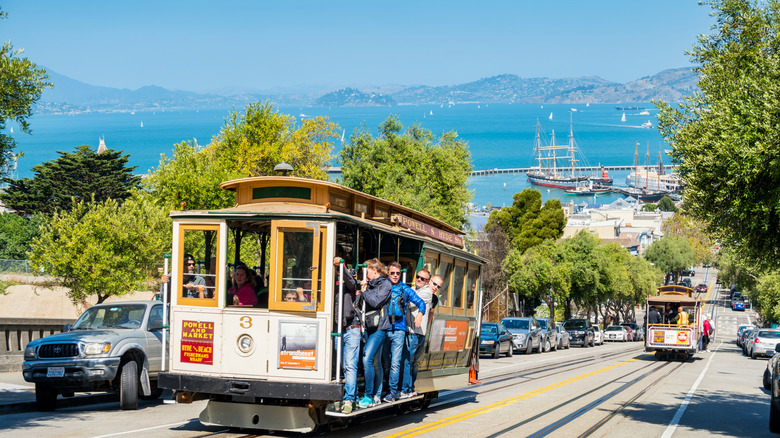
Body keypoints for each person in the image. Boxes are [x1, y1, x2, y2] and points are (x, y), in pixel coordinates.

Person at [382, 262, 426, 403]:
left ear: (400, 274)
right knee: (386, 362)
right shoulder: (383, 287)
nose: (395, 275)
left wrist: (420, 314)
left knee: (395, 362)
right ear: (388, 273)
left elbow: (421, 303)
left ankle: (392, 392)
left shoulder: (405, 289)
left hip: (399, 330)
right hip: (384, 328)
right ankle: (386, 387)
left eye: (397, 273)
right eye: (392, 273)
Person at [357, 259, 392, 409]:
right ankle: (377, 394)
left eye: (367, 270)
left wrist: (364, 291)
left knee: (367, 358)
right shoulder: (368, 284)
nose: (365, 273)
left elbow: (376, 301)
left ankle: (369, 396)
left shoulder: (386, 284)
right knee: (375, 363)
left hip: (380, 328)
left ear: (374, 270)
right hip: (367, 327)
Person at [333, 253, 358, 414]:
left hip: (351, 328)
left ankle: (349, 399)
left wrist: (341, 267)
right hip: (336, 329)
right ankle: (338, 397)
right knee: (339, 365)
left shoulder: (347, 277)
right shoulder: (330, 279)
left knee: (350, 365)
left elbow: (352, 284)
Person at [401, 269, 432, 399]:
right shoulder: (414, 289)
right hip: (414, 332)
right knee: (412, 363)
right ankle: (410, 388)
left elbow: (409, 304)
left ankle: (406, 389)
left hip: (416, 332)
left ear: (427, 282)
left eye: (422, 279)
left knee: (408, 361)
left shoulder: (427, 292)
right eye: (417, 276)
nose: (418, 279)